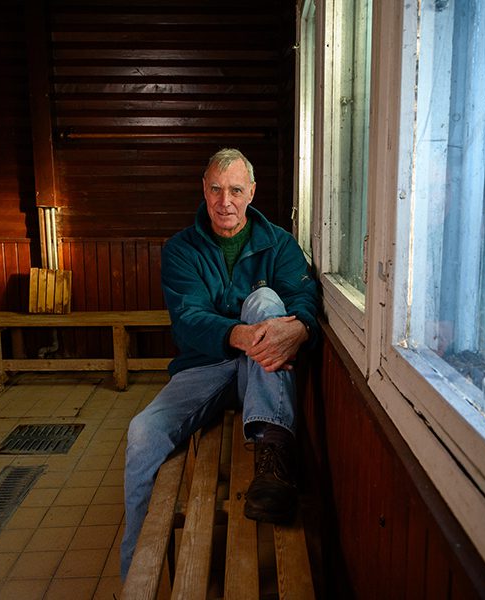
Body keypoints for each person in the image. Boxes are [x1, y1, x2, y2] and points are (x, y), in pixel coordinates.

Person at [120, 148, 319, 579]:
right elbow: (189, 319)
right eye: (215, 189)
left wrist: (300, 328)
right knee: (141, 433)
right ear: (204, 190)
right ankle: (135, 573)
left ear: (251, 192)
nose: (224, 200)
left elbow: (303, 296)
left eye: (234, 189)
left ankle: (273, 459)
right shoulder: (181, 249)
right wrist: (240, 335)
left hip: (261, 374)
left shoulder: (279, 243)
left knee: (267, 300)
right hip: (203, 368)